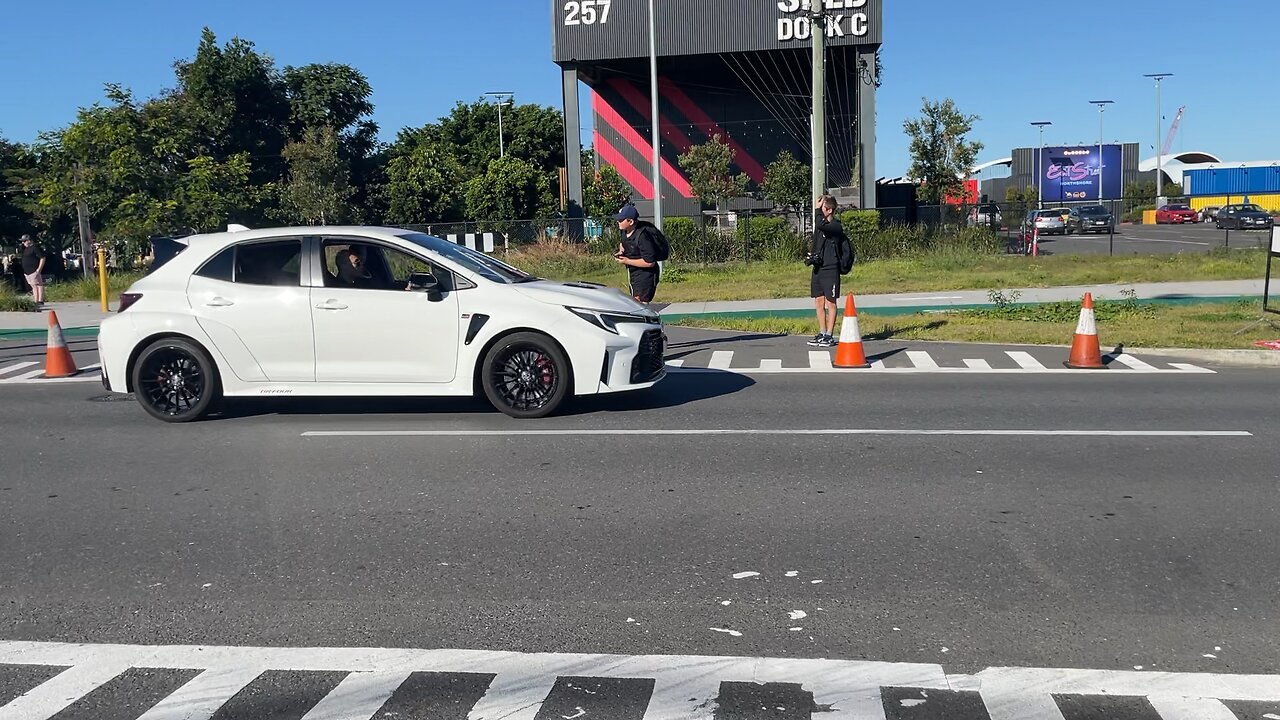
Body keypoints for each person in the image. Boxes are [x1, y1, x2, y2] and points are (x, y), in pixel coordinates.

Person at [807, 195, 851, 347]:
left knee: (830, 302)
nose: (820, 211)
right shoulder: (820, 225)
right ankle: (822, 331)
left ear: (829, 210)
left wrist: (817, 210)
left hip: (831, 268)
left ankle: (829, 335)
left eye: (822, 208)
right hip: (818, 268)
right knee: (818, 301)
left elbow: (821, 224)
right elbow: (818, 229)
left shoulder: (835, 226)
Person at [613, 205, 661, 304]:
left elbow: (650, 262)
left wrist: (627, 261)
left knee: (640, 304)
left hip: (646, 275)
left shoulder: (643, 237)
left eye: (621, 220)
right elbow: (623, 243)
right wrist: (621, 252)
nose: (618, 222)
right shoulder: (624, 231)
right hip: (633, 273)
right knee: (634, 302)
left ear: (630, 222)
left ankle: (646, 319)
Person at [20, 235, 46, 306]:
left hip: (34, 270)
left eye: (24, 241)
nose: (23, 243)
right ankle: (36, 300)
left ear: (29, 240)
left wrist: (39, 269)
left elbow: (42, 258)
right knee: (33, 285)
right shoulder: (25, 249)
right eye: (23, 241)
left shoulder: (34, 248)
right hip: (27, 271)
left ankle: (39, 300)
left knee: (37, 285)